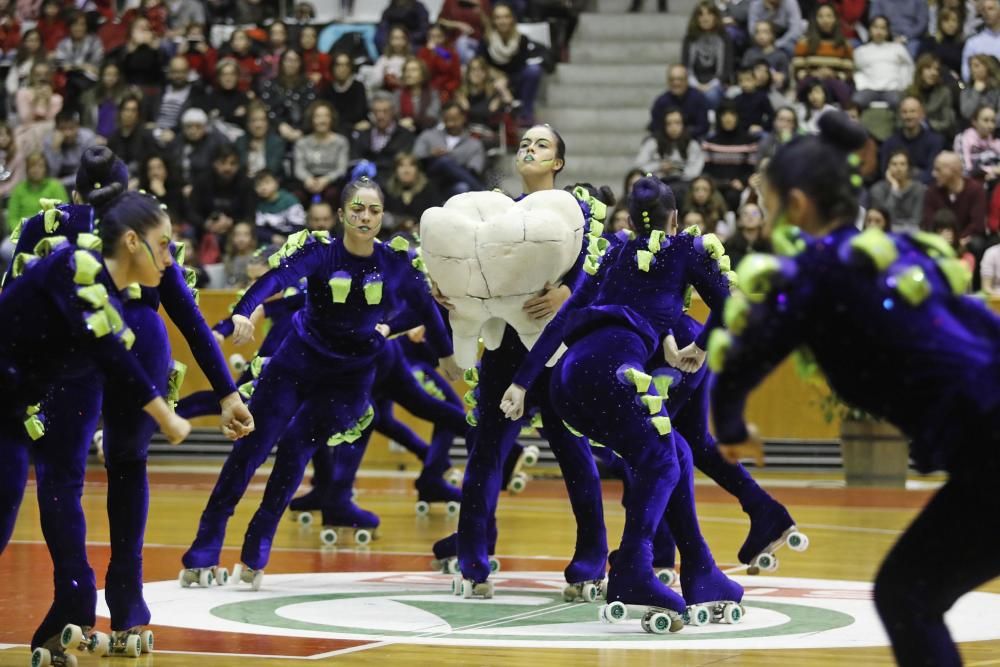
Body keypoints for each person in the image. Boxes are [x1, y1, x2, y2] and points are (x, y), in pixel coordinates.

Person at [709, 110, 1000, 667]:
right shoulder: (899, 251)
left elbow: (743, 360)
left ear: (796, 206)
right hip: (988, 440)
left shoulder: (816, 275)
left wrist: (731, 429)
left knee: (907, 596)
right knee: (912, 593)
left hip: (992, 445)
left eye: (767, 207)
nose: (765, 221)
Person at [180, 177, 460, 589]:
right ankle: (205, 545)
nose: (366, 217)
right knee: (250, 449)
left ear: (383, 216)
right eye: (358, 209)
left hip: (349, 380)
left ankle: (257, 545)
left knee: (295, 453)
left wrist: (448, 355)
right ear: (343, 213)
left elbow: (427, 309)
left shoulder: (396, 262)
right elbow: (274, 279)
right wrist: (243, 310)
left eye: (374, 210)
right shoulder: (320, 252)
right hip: (295, 364)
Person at [498, 176, 742, 629]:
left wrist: (522, 382)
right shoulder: (684, 249)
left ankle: (702, 570)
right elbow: (730, 304)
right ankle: (631, 569)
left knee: (675, 455)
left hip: (567, 378)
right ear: (674, 220)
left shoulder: (611, 253)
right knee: (662, 462)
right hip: (610, 372)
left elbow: (564, 318)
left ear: (627, 220)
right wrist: (701, 347)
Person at [0, 184, 196, 665]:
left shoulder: (104, 286)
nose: (171, 259)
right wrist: (163, 413)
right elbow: (107, 348)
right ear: (132, 241)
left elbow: (112, 351)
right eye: (165, 245)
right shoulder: (73, 269)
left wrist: (160, 412)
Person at [429, 124, 609, 598]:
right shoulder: (494, 210)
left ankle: (591, 560)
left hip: (559, 353)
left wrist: (569, 292)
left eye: (542, 145)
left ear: (559, 163)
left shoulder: (580, 213)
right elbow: (464, 266)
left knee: (573, 455)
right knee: (485, 451)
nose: (530, 149)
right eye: (525, 144)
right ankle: (472, 558)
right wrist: (449, 291)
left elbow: (597, 268)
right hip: (505, 348)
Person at [868, 149, 927, 234]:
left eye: (902, 164)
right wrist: (894, 190)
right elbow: (884, 220)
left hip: (911, 236)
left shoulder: (919, 189)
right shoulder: (877, 190)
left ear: (908, 167)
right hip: (885, 236)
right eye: (894, 164)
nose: (898, 168)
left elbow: (916, 222)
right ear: (888, 167)